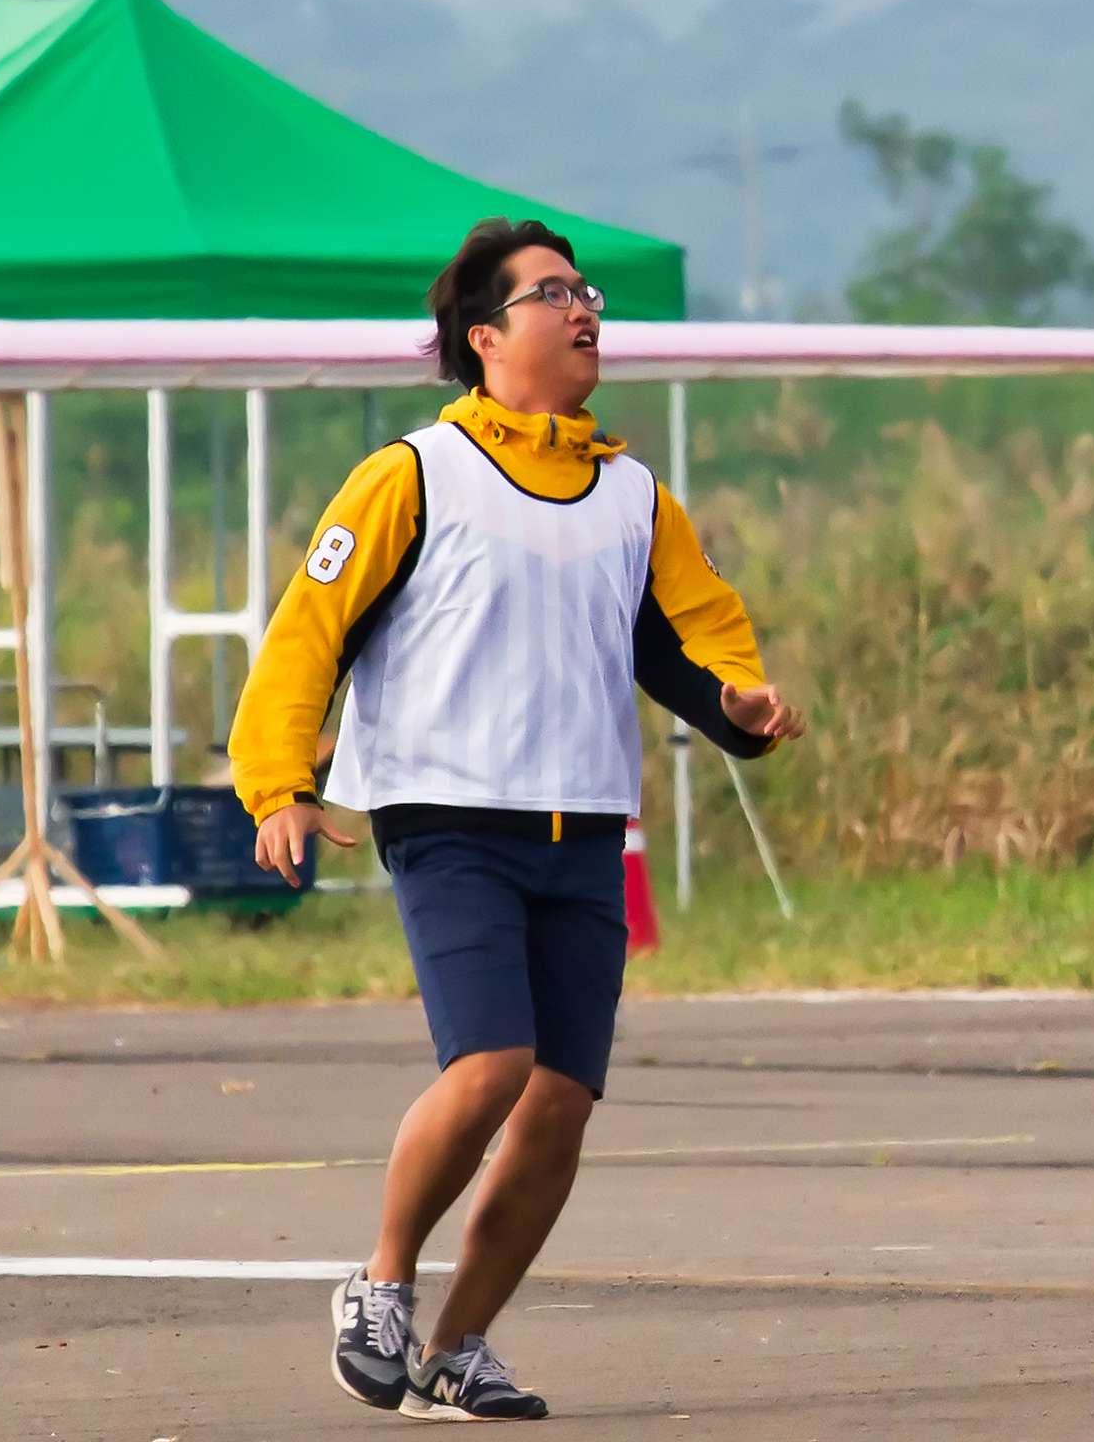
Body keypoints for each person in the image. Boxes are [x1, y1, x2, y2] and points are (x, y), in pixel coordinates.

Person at [232, 218, 800, 1420]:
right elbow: (308, 634)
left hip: (584, 829)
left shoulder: (635, 497)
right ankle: (380, 1284)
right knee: (490, 1062)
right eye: (551, 294)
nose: (584, 309)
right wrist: (278, 784)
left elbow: (693, 645)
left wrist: (742, 708)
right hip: (448, 823)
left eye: (586, 291)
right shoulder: (413, 475)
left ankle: (458, 1347)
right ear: (485, 338)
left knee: (559, 1104)